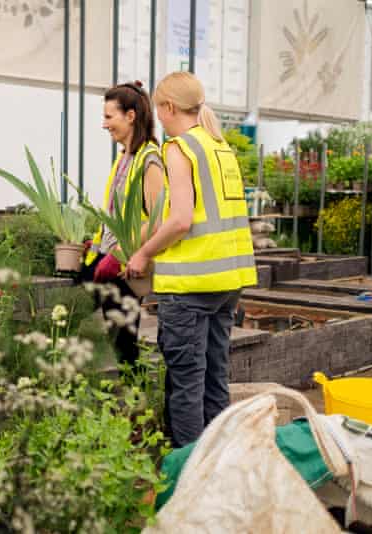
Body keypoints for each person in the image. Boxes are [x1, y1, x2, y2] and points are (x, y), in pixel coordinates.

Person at [125, 72, 257, 447]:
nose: (158, 119)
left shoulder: (178, 148)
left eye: (159, 110)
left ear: (168, 107)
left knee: (186, 382)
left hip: (190, 285)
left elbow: (181, 219)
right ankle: (217, 462)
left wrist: (144, 252)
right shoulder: (219, 147)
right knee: (215, 377)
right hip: (227, 281)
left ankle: (188, 471)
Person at [82, 81, 165, 368]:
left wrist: (117, 254)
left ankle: (131, 403)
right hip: (108, 257)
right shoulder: (125, 158)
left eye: (109, 117)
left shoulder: (149, 160)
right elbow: (113, 214)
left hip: (127, 263)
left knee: (123, 343)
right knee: (113, 337)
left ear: (130, 116)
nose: (104, 124)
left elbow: (158, 221)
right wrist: (94, 248)